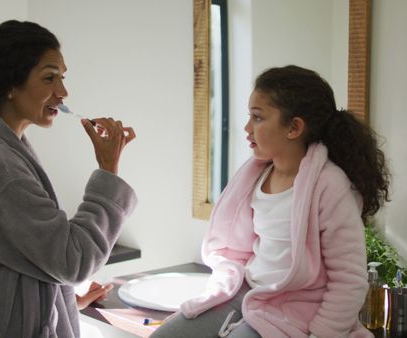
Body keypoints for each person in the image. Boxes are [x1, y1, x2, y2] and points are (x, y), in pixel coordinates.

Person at [0, 20, 137, 337]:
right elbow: (73, 260)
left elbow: (12, 256)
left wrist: (62, 300)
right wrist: (108, 170)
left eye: (63, 78)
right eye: (50, 78)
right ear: (9, 84)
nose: (63, 93)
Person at [151, 66, 389, 338]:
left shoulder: (330, 185)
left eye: (257, 118)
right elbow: (240, 247)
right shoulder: (257, 174)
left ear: (294, 127)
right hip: (248, 293)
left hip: (294, 307)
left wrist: (322, 334)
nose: (246, 128)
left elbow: (349, 281)